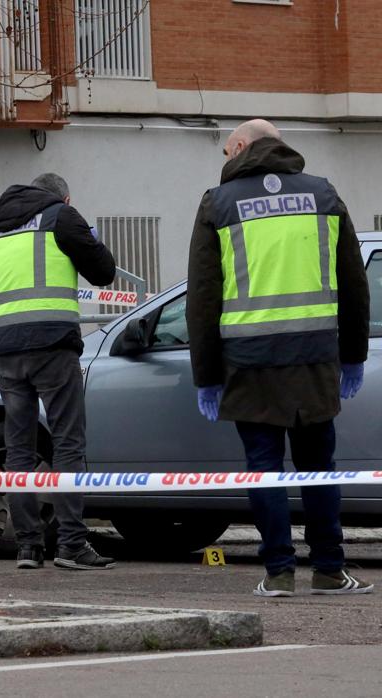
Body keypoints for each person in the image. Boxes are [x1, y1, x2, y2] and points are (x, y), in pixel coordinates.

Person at [187, 119, 372, 597]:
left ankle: (278, 573)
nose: (225, 160)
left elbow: (203, 298)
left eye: (227, 151)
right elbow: (354, 283)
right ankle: (330, 568)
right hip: (315, 359)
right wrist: (352, 356)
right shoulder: (324, 196)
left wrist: (206, 375)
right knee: (318, 467)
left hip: (250, 363)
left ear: (244, 146)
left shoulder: (218, 204)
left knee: (263, 466)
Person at [0, 173, 117, 570]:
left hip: (6, 350)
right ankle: (71, 544)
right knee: (68, 442)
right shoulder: (60, 217)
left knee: (19, 447)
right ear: (64, 197)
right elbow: (104, 272)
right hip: (53, 345)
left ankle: (28, 547)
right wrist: (84, 230)